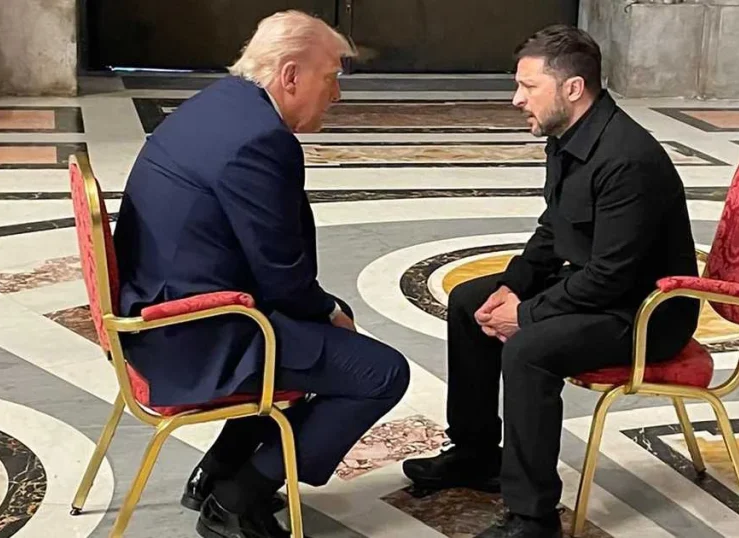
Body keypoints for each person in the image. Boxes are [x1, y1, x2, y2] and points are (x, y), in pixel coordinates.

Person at [113, 10, 410, 538]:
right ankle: (237, 499)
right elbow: (282, 276)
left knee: (327, 331)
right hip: (194, 334)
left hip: (159, 311)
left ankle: (218, 471)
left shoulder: (216, 105)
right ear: (291, 75)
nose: (336, 93)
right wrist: (327, 313)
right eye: (330, 77)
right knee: (381, 373)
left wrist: (323, 311)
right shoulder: (259, 140)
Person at [401, 25, 700, 538]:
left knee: (529, 350)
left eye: (528, 86)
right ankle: (476, 454)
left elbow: (611, 277)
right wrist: (513, 286)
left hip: (644, 313)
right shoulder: (568, 136)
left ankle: (533, 516)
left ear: (573, 88)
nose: (516, 99)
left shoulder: (628, 160)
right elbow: (555, 226)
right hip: (597, 287)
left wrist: (526, 314)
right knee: (470, 301)